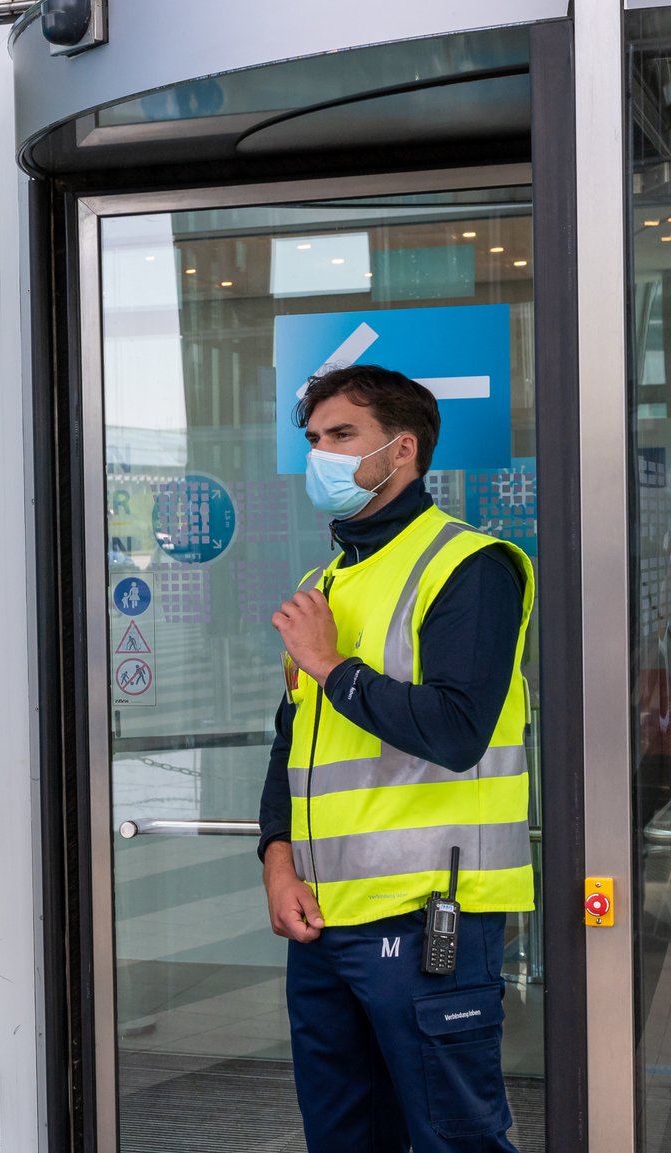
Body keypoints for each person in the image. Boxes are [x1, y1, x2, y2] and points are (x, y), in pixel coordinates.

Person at [259, 364, 535, 1152]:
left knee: (456, 1140)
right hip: (321, 923)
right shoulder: (327, 581)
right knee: (343, 1140)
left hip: (425, 922)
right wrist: (275, 859)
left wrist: (331, 665)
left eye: (343, 435)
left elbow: (455, 729)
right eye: (314, 439)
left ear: (402, 449)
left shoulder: (470, 565)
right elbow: (295, 745)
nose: (322, 454)